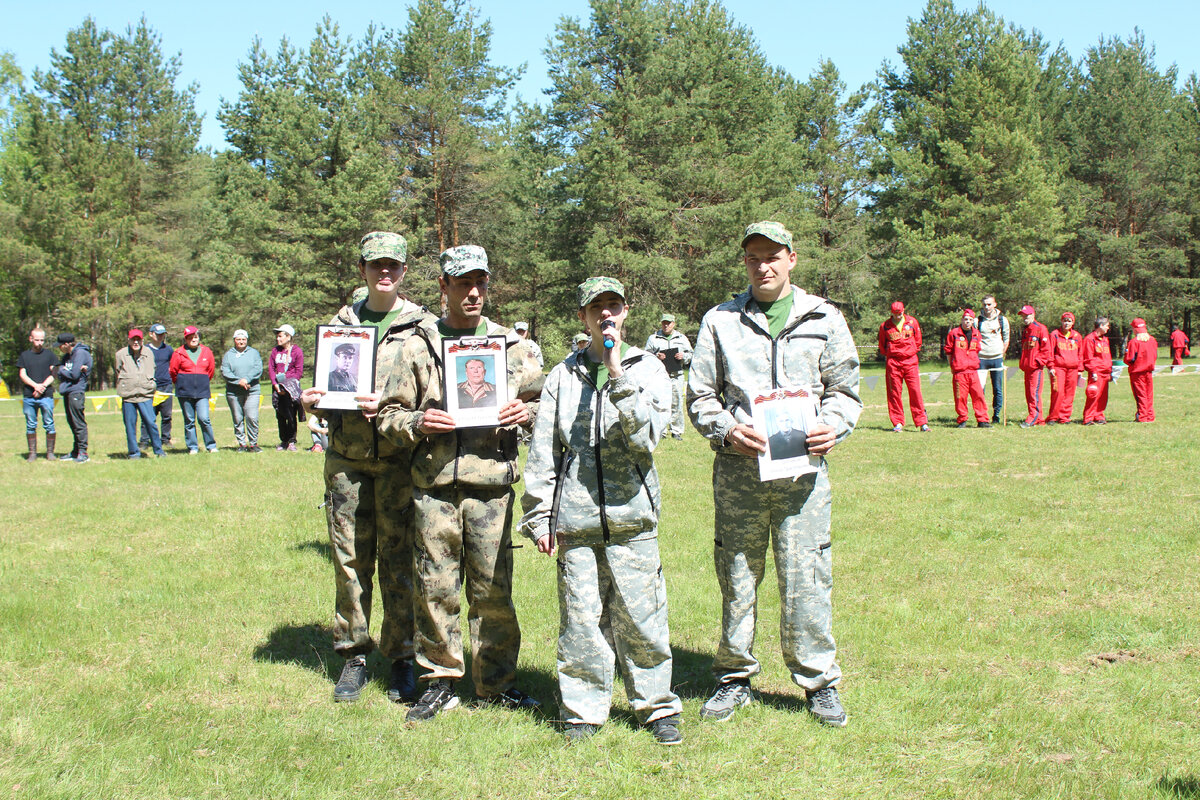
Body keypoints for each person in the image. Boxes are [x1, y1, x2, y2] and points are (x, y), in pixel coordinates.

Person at [687, 221, 861, 728]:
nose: (762, 265)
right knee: (738, 575)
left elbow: (845, 390)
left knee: (806, 575)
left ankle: (818, 681)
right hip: (739, 475)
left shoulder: (823, 318)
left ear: (792, 258)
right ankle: (734, 677)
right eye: (753, 257)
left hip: (803, 478)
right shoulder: (720, 320)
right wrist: (725, 431)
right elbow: (700, 395)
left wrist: (834, 426)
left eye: (772, 256)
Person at [376, 243, 543, 722]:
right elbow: (388, 415)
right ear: (444, 286)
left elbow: (544, 407)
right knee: (436, 588)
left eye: (480, 282)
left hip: (491, 486)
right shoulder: (418, 345)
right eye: (462, 283)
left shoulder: (511, 347)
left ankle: (497, 682)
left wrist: (524, 412)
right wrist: (418, 424)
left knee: (493, 591)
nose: (473, 292)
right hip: (433, 488)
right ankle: (441, 681)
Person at [521, 276, 682, 745]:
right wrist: (539, 517)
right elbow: (544, 451)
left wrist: (618, 374)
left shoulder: (648, 368)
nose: (605, 314)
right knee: (581, 620)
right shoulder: (561, 375)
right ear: (583, 317)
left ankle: (655, 708)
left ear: (626, 311)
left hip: (633, 518)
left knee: (642, 617)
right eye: (596, 308)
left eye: (614, 305)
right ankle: (583, 710)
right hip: (577, 519)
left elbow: (648, 438)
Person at [300, 231, 434, 705]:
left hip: (400, 462)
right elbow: (318, 390)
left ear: (403, 271)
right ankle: (354, 655)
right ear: (361, 269)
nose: (384, 272)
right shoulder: (339, 326)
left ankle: (401, 657)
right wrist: (309, 399)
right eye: (375, 264)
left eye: (392, 265)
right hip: (347, 461)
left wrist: (400, 409)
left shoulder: (423, 328)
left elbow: (435, 393)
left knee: (400, 560)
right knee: (350, 559)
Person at [877, 301, 928, 432]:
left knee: (915, 391)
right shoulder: (885, 326)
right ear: (891, 313)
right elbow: (882, 346)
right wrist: (892, 353)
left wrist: (909, 352)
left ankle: (922, 422)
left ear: (903, 311)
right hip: (893, 363)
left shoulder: (912, 323)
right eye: (895, 314)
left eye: (899, 314)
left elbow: (918, 341)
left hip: (910, 362)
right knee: (894, 393)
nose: (897, 317)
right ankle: (897, 422)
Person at [115, 329, 165, 459]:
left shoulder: (149, 353)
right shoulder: (120, 354)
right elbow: (118, 370)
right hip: (128, 395)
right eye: (133, 339)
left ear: (142, 340)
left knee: (150, 422)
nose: (136, 342)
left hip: (145, 394)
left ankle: (158, 451)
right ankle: (134, 453)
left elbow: (153, 369)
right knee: (130, 426)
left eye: (138, 339)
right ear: (129, 340)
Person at [644, 313, 693, 440]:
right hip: (660, 376)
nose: (666, 325)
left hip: (677, 376)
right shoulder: (654, 338)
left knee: (676, 403)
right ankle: (661, 431)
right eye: (664, 323)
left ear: (674, 324)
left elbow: (691, 354)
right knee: (659, 403)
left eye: (669, 323)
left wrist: (684, 356)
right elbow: (645, 356)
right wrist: (656, 356)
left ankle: (676, 431)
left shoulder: (681, 338)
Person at [169, 326, 217, 454]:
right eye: (190, 337)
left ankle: (211, 445)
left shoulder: (207, 352)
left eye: (195, 336)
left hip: (202, 391)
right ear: (185, 339)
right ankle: (193, 447)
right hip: (185, 391)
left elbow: (211, 371)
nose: (193, 339)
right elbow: (173, 371)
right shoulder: (178, 352)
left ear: (198, 337)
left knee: (204, 418)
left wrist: (202, 381)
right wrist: (182, 383)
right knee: (189, 420)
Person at [944, 309, 991, 428]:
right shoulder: (954, 333)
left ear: (973, 321)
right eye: (965, 319)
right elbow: (949, 351)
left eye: (970, 320)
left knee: (978, 395)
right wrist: (953, 366)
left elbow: (977, 350)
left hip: (973, 371)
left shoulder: (976, 334)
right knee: (960, 397)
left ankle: (982, 420)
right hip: (960, 372)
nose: (967, 322)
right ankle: (962, 419)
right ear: (961, 320)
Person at [18, 327, 58, 461]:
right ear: (31, 339)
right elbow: (22, 374)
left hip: (46, 396)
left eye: (42, 340)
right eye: (37, 340)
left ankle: (50, 453)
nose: (40, 342)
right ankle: (32, 453)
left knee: (49, 423)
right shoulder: (24, 356)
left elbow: (54, 374)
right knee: (31, 424)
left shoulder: (50, 355)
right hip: (29, 396)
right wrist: (35, 386)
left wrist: (43, 386)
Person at [221, 329, 263, 452]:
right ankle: (242, 444)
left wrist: (247, 379)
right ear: (234, 340)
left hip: (252, 390)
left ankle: (253, 443)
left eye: (243, 339)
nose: (241, 342)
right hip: (234, 392)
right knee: (238, 418)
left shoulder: (254, 353)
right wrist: (238, 381)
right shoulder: (229, 355)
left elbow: (258, 368)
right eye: (238, 339)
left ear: (247, 340)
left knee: (252, 416)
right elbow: (225, 371)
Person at [56, 332, 92, 463]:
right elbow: (62, 373)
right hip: (67, 392)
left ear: (66, 344)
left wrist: (62, 370)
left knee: (78, 423)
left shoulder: (81, 354)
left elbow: (75, 375)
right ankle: (75, 450)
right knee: (71, 422)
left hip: (76, 392)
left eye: (60, 345)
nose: (59, 348)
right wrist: (65, 371)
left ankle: (83, 452)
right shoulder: (67, 356)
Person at [269, 324, 304, 451]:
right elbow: (271, 368)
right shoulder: (275, 351)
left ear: (288, 337)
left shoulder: (297, 351)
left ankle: (291, 441)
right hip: (277, 387)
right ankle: (283, 440)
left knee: (291, 414)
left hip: (290, 388)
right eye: (277, 336)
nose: (278, 339)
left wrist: (286, 382)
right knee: (280, 414)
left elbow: (298, 371)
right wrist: (275, 384)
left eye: (280, 336)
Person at [140, 324, 174, 448]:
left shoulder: (168, 350)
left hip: (166, 386)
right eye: (158, 334)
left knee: (167, 416)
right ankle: (144, 440)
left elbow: (173, 365)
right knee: (148, 416)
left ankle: (166, 439)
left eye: (162, 334)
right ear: (151, 334)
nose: (161, 337)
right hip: (149, 387)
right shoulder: (144, 350)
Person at [1017, 305, 1052, 428]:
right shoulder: (1026, 330)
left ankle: (1033, 417)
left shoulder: (1040, 329)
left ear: (1033, 315)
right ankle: (1040, 418)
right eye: (1023, 315)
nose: (1025, 318)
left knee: (1034, 393)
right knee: (1029, 393)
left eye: (1027, 315)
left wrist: (1038, 362)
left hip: (1035, 368)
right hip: (1027, 367)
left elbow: (1046, 349)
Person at [977, 295, 1010, 423]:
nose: (987, 307)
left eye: (989, 304)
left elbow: (1006, 338)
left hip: (997, 358)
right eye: (984, 304)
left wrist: (1001, 352)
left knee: (997, 388)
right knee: (980, 389)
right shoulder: (977, 321)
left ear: (995, 304)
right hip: (981, 359)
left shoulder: (1002, 320)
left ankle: (996, 415)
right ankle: (982, 415)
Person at [1045, 312, 1082, 424]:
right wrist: (1051, 366)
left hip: (1073, 369)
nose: (1067, 323)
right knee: (1058, 392)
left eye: (1069, 321)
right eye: (1065, 320)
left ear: (1073, 323)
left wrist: (1080, 369)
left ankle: (1064, 417)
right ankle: (1053, 417)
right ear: (1061, 321)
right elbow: (1050, 351)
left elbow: (1081, 354)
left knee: (1070, 393)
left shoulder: (1077, 336)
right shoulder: (1055, 334)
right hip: (1058, 367)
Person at [1124, 318, 1158, 422]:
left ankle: (1142, 416)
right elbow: (1155, 356)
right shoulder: (1152, 340)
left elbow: (1129, 358)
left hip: (1137, 372)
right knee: (1148, 394)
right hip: (1148, 371)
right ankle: (1150, 415)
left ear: (1135, 329)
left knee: (1140, 395)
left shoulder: (1134, 342)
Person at [1081, 317, 1112, 425]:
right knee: (1093, 394)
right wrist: (1093, 371)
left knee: (1103, 396)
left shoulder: (1105, 340)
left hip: (1105, 372)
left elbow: (1107, 356)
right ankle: (1088, 418)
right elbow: (1088, 357)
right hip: (1096, 372)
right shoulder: (1090, 339)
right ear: (1101, 326)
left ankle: (1099, 415)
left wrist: (1110, 371)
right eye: (1107, 325)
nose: (1108, 328)